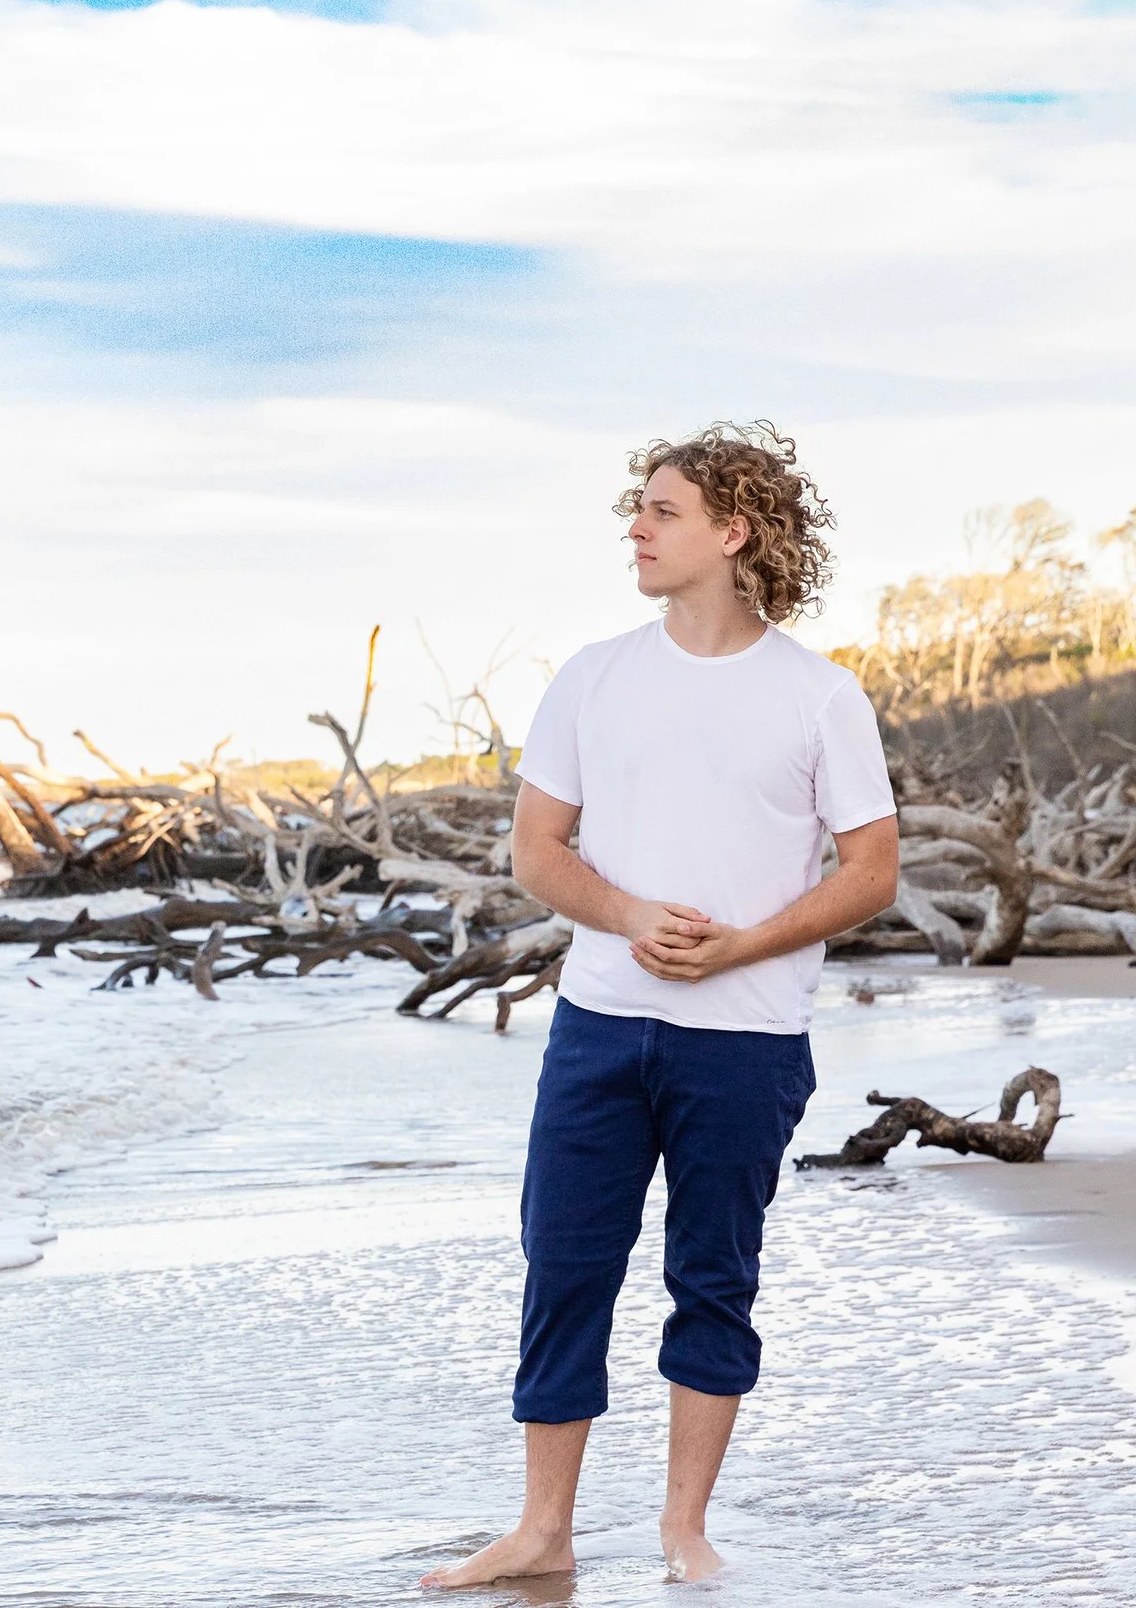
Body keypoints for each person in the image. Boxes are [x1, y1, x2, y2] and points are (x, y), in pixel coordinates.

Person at [422, 423, 899, 1589]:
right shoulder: (593, 676)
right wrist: (630, 913)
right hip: (597, 1027)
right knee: (564, 1263)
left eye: (661, 509)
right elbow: (538, 851)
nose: (634, 526)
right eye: (638, 507)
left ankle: (682, 1528)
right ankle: (543, 1527)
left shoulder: (819, 696)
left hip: (745, 1042)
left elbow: (870, 868)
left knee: (712, 1276)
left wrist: (746, 941)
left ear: (733, 532)